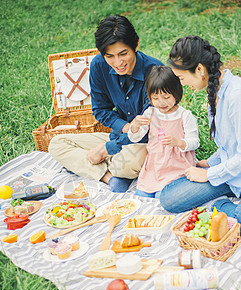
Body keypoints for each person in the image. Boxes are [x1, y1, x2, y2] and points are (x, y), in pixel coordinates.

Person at [48, 15, 163, 193]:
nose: (118, 63)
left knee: (128, 163)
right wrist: (125, 128)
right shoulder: (99, 65)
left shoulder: (156, 72)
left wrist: (106, 149)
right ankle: (109, 177)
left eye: (123, 54)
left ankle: (109, 166)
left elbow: (148, 129)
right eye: (110, 56)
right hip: (118, 137)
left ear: (136, 45)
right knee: (56, 143)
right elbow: (101, 110)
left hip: (146, 142)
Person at [157, 35, 241, 218]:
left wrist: (209, 174)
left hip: (235, 171)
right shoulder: (215, 90)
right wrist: (209, 163)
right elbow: (231, 146)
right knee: (169, 198)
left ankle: (224, 207)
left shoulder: (236, 96)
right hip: (231, 173)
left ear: (200, 69)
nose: (182, 84)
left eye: (181, 77)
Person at [128, 65, 199, 198]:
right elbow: (135, 137)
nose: (161, 102)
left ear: (177, 93)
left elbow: (194, 141)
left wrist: (179, 142)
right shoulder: (150, 113)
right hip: (155, 165)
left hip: (176, 165)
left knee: (163, 196)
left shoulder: (184, 115)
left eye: (166, 97)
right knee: (141, 195)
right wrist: (135, 126)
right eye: (155, 98)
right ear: (149, 97)